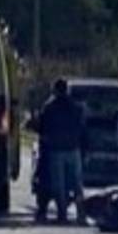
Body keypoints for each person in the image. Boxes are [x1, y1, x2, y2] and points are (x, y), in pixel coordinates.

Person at [34, 78, 88, 224]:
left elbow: (41, 127)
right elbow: (82, 128)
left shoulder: (49, 107)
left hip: (56, 149)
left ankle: (62, 214)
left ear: (55, 90)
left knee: (59, 184)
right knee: (77, 183)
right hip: (73, 148)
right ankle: (81, 213)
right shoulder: (76, 107)